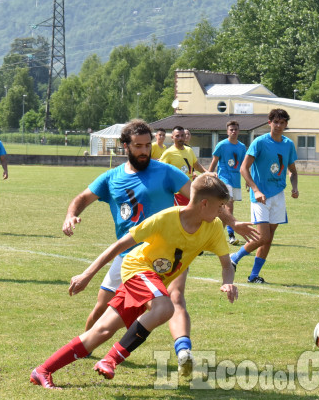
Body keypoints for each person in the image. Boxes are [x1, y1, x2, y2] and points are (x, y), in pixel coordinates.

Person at [61, 120, 255, 376]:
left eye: (147, 145)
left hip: (169, 252)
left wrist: (233, 222)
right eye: (138, 146)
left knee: (174, 298)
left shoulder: (165, 171)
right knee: (103, 307)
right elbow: (83, 198)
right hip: (129, 255)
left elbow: (203, 201)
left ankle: (183, 351)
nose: (144, 151)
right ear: (125, 146)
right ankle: (84, 348)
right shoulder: (112, 177)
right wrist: (70, 215)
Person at [31, 173, 238, 389]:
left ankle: (43, 370)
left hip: (153, 281)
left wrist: (228, 282)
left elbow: (226, 264)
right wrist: (87, 274)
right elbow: (119, 246)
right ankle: (110, 360)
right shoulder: (166, 219)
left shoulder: (213, 228)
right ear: (204, 204)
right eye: (220, 206)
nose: (222, 211)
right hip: (137, 268)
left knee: (101, 330)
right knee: (165, 307)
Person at [230, 109, 299, 284]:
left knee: (269, 238)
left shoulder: (288, 144)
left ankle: (254, 276)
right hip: (260, 197)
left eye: (282, 123)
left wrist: (294, 187)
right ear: (269, 123)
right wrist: (256, 189)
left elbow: (292, 170)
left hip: (278, 196)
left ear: (286, 125)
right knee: (263, 237)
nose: (278, 126)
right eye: (275, 122)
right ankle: (234, 258)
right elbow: (244, 168)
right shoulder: (259, 142)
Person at [208, 120, 246, 245]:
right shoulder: (222, 145)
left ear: (238, 131)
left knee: (223, 210)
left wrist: (247, 179)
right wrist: (209, 176)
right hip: (224, 179)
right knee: (229, 206)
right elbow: (214, 161)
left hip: (236, 180)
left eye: (235, 129)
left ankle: (213, 235)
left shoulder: (241, 147)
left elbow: (243, 165)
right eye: (231, 129)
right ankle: (231, 235)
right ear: (227, 131)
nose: (233, 131)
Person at [160, 126, 207, 206]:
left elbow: (196, 165)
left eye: (182, 135)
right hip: (177, 193)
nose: (180, 138)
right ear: (172, 137)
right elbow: (160, 170)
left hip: (191, 189)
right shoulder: (168, 153)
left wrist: (208, 173)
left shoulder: (189, 150)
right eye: (177, 136)